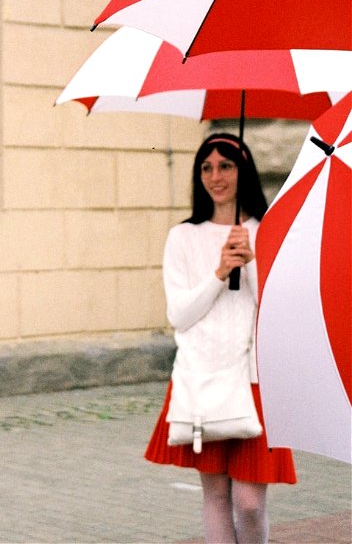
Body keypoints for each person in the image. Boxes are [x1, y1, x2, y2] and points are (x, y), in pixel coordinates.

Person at [144, 133, 296, 544]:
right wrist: (217, 272)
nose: (216, 176)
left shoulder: (265, 231)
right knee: (214, 494)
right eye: (207, 167)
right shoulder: (183, 237)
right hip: (201, 376)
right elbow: (180, 315)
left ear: (243, 170)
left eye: (226, 166)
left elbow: (277, 312)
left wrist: (249, 265)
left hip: (254, 380)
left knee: (249, 502)